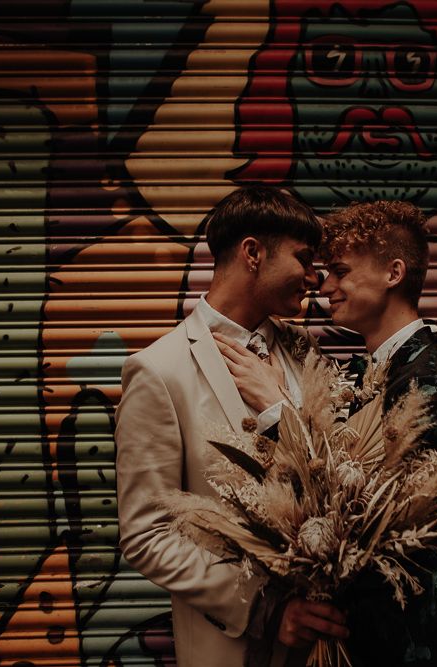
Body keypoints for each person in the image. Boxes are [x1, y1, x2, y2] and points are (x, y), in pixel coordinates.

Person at [216, 199, 437, 666]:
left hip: (419, 641)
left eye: (340, 271)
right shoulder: (366, 370)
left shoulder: (428, 381)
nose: (326, 285)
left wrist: (280, 409)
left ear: (394, 273)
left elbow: (355, 507)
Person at [115, 185, 348, 667]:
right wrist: (264, 608)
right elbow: (145, 533)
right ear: (253, 253)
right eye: (304, 259)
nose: (313, 278)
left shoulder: (308, 353)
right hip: (232, 647)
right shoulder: (159, 370)